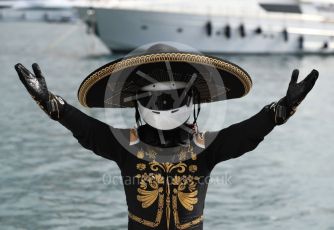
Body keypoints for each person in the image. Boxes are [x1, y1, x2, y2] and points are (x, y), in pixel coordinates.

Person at [14, 44, 318, 230]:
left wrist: (285, 106)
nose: (164, 104)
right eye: (155, 97)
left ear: (191, 102)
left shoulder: (205, 148)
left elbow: (247, 133)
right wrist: (49, 101)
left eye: (174, 96)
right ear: (137, 103)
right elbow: (85, 128)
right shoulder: (125, 145)